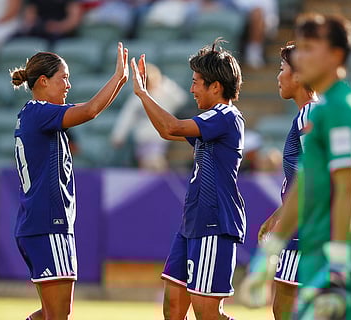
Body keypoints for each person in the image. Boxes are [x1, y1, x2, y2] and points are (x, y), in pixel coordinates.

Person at [240, 13, 351, 319]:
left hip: (343, 257)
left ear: (337, 55)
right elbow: (306, 182)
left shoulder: (340, 109)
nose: (299, 56)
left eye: (309, 47)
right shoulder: (322, 111)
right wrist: (270, 253)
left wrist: (337, 263)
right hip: (319, 247)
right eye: (300, 48)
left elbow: (350, 188)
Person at [130, 38, 245, 320]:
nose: (191, 89)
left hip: (214, 223)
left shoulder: (226, 116)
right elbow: (168, 132)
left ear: (215, 86)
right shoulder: (211, 120)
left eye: (196, 81)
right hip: (193, 222)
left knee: (207, 313)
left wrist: (144, 94)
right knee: (173, 306)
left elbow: (172, 126)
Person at [12, 42, 128, 320]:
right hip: (48, 223)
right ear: (43, 81)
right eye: (63, 78)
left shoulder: (35, 113)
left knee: (52, 313)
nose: (68, 85)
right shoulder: (41, 113)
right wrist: (118, 79)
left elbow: (87, 108)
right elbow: (89, 111)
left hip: (39, 223)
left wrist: (118, 83)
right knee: (59, 315)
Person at [255, 41, 316, 320]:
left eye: (282, 69)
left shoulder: (308, 115)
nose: (278, 76)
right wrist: (277, 215)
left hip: (305, 225)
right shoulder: (311, 113)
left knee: (284, 305)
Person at [110, 63, 188, 171]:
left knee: (155, 163)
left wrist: (164, 83)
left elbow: (181, 99)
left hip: (162, 136)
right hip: (144, 137)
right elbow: (127, 117)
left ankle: (158, 182)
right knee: (147, 165)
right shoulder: (137, 97)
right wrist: (118, 136)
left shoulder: (165, 93)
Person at [16, 0, 83, 44]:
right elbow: (30, 18)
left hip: (62, 33)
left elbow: (73, 20)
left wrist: (58, 27)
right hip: (40, 31)